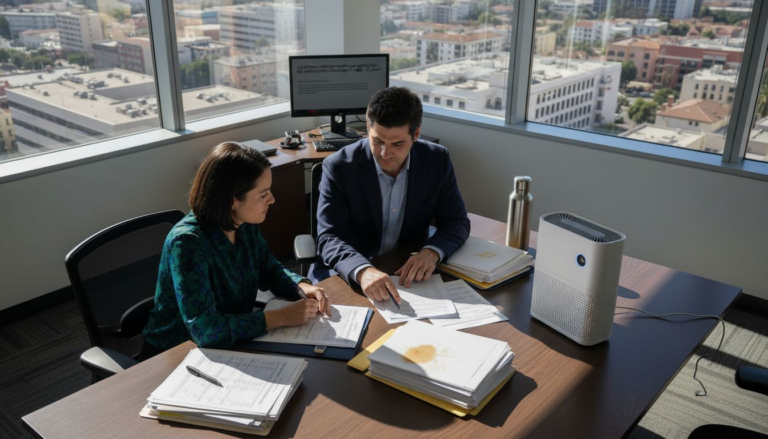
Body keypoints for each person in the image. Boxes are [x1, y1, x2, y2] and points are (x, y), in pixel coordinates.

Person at [142, 142, 332, 356]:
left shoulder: (243, 224)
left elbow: (268, 269)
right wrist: (280, 317)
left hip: (231, 342)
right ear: (232, 200)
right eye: (263, 194)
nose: (272, 199)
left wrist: (300, 286)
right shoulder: (187, 243)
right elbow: (206, 331)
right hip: (175, 353)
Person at [311, 86, 470, 304]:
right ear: (368, 127)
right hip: (351, 272)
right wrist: (362, 270)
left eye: (397, 144)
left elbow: (456, 221)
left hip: (405, 270)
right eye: (378, 141)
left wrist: (431, 252)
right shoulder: (339, 167)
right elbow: (329, 238)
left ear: (416, 134)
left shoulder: (436, 160)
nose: (385, 154)